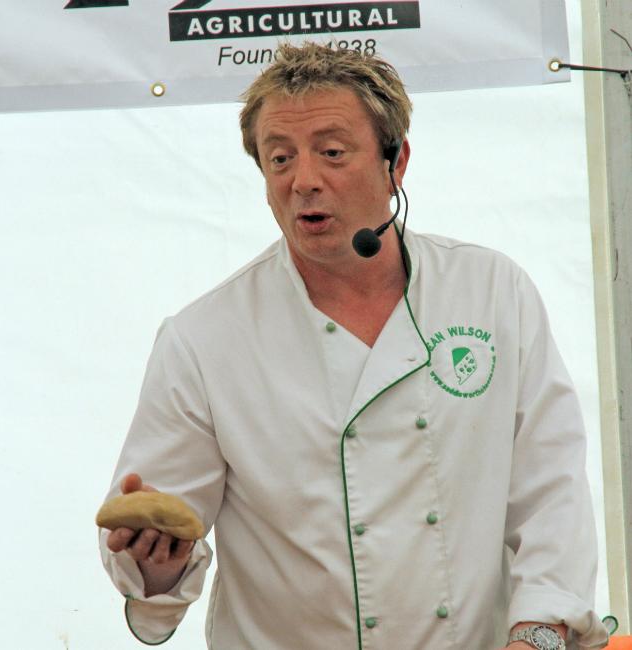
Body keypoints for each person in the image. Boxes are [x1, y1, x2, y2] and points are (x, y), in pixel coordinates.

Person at [99, 42, 608, 650]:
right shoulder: (203, 339)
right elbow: (157, 541)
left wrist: (539, 635)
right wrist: (156, 560)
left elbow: (550, 491)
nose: (303, 181)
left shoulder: (491, 291)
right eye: (279, 158)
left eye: (332, 153)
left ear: (396, 163)